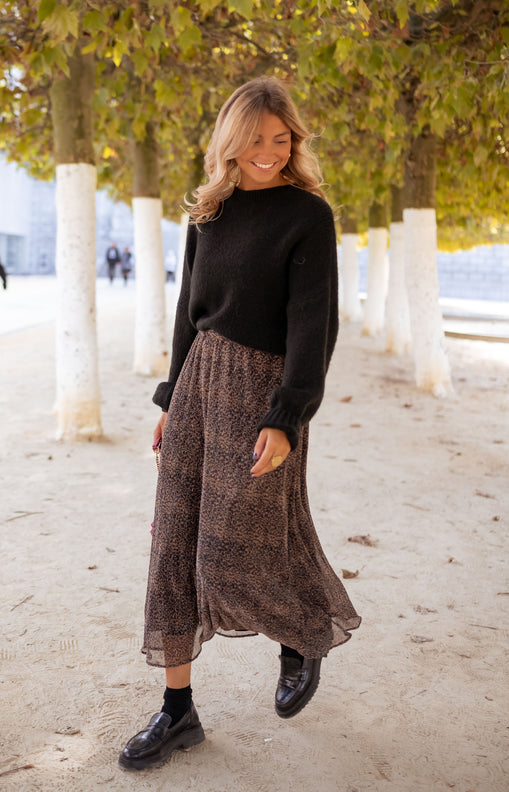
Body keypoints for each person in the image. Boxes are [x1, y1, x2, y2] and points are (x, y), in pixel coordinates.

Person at [119, 76, 361, 772]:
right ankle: (177, 711)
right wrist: (169, 400)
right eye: (255, 139)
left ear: (294, 142)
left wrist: (287, 416)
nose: (268, 151)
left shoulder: (306, 215)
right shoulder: (208, 213)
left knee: (234, 549)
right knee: (172, 548)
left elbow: (313, 325)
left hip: (261, 397)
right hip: (198, 388)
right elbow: (187, 315)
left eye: (280, 139)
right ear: (230, 141)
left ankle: (301, 636)